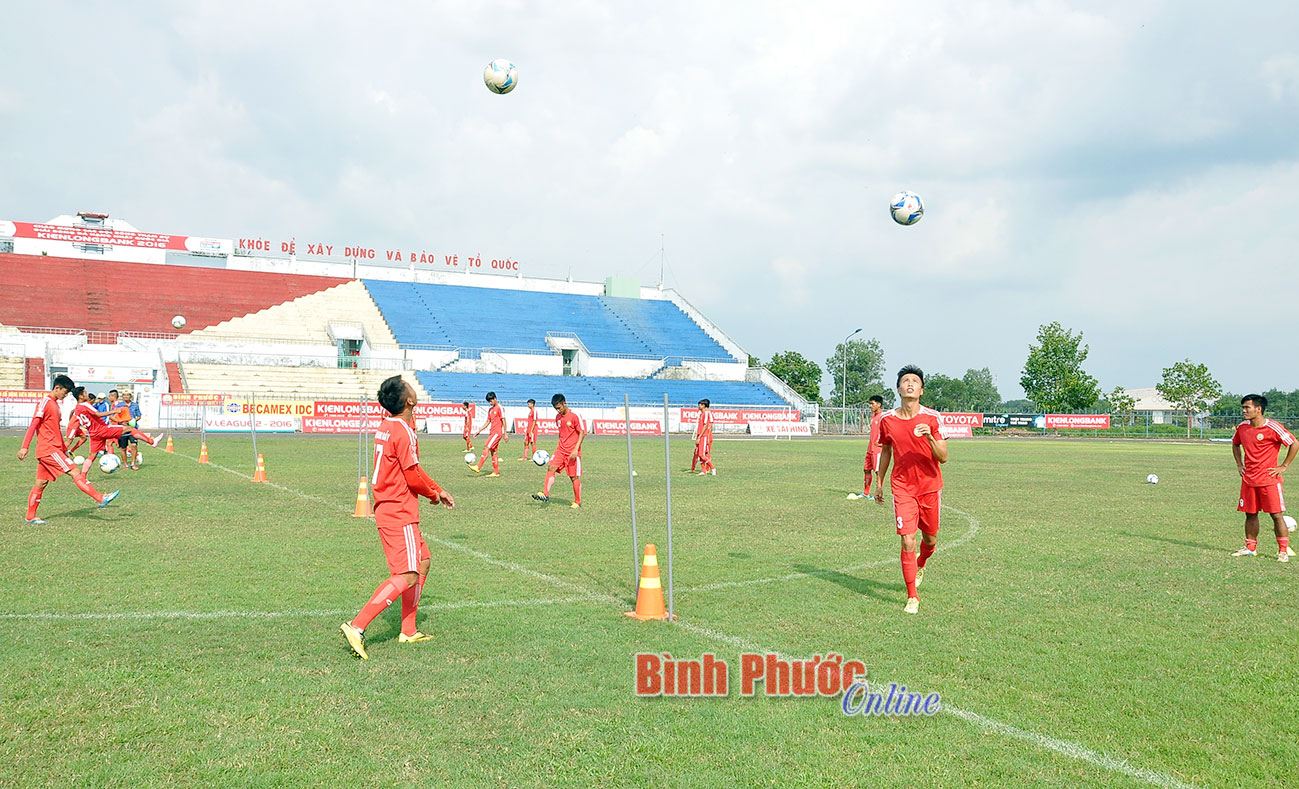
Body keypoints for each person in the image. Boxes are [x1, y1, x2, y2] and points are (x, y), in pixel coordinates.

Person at [340, 375, 454, 660]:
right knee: (408, 574)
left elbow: (413, 468)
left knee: (423, 561)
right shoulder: (403, 431)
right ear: (409, 400)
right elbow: (412, 476)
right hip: (398, 510)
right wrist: (433, 494)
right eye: (409, 386)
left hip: (391, 507)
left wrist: (437, 488)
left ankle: (408, 629)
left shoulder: (390, 425)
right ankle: (357, 626)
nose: (414, 387)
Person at [874, 366, 948, 614]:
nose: (909, 384)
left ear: (921, 390)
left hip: (929, 487)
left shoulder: (932, 418)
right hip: (902, 488)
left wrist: (928, 438)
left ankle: (922, 563)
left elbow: (944, 457)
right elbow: (886, 450)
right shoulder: (887, 420)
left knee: (930, 539)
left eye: (914, 381)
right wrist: (879, 482)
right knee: (907, 539)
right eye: (905, 381)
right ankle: (912, 597)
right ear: (898, 389)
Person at [18, 375, 119, 524]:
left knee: (41, 483)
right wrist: (24, 447)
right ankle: (100, 498)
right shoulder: (45, 402)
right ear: (57, 388)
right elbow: (34, 424)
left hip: (54, 449)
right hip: (49, 449)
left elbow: (56, 431)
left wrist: (64, 449)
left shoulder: (55, 405)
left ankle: (30, 517)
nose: (66, 396)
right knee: (75, 471)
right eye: (65, 392)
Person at [1230, 394, 1297, 562]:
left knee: (1276, 515)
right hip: (1249, 480)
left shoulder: (1273, 427)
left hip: (1269, 480)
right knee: (1250, 515)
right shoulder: (1242, 427)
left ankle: (1282, 551)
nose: (1244, 411)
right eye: (1243, 407)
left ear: (1258, 409)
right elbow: (1235, 443)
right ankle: (1250, 548)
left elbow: (1294, 443)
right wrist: (1239, 464)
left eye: (1247, 407)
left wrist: (1283, 466)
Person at [66, 386, 164, 475]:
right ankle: (152, 442)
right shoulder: (85, 405)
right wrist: (114, 411)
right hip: (102, 429)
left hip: (93, 433)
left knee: (92, 455)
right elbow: (98, 414)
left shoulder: (77, 408)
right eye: (85, 393)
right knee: (129, 428)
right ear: (80, 396)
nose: (87, 394)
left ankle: (83, 476)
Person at [532, 393, 584, 509]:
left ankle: (577, 501)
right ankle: (545, 493)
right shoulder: (558, 418)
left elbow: (582, 432)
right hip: (560, 450)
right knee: (551, 467)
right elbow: (562, 434)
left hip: (572, 452)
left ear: (564, 403)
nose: (558, 411)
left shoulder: (575, 416)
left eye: (559, 408)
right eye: (556, 409)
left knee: (573, 477)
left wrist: (576, 449)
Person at [471, 391, 508, 477]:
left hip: (497, 432)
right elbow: (488, 421)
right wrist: (479, 431)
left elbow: (504, 421)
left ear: (495, 399)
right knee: (493, 452)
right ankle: (496, 472)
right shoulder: (490, 410)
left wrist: (505, 433)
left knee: (486, 447)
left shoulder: (500, 408)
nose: (490, 403)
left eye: (491, 401)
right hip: (492, 432)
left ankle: (478, 466)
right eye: (489, 402)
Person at [862, 395, 885, 500]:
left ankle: (878, 493)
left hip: (877, 450)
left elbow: (889, 433)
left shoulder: (883, 417)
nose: (870, 406)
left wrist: (882, 444)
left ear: (879, 404)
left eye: (872, 404)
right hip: (870, 449)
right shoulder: (873, 417)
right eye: (870, 404)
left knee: (878, 472)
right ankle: (866, 493)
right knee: (866, 469)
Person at [117, 391, 145, 469]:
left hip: (133, 429)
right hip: (122, 429)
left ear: (130, 396)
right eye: (124, 395)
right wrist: (121, 422)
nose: (126, 396)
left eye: (128, 395)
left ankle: (133, 463)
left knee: (134, 445)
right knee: (123, 448)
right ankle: (125, 464)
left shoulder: (135, 405)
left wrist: (134, 420)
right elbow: (115, 416)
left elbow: (139, 416)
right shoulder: (119, 405)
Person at [689, 398, 715, 475]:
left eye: (699, 405)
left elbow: (708, 426)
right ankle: (703, 470)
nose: (698, 406)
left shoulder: (707, 414)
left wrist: (706, 436)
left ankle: (711, 468)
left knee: (704, 454)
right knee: (698, 452)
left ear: (703, 405)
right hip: (701, 436)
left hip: (705, 436)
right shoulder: (701, 414)